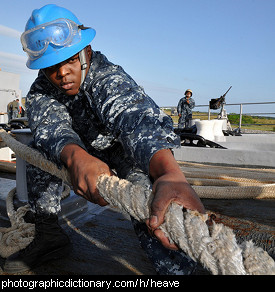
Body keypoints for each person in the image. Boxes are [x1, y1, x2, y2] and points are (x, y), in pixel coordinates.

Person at [4, 4, 205, 274]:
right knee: (37, 155)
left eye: (70, 60)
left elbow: (135, 118)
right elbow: (52, 128)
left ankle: (181, 269)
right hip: (78, 152)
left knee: (149, 199)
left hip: (122, 150)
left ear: (86, 52)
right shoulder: (41, 89)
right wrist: (77, 158)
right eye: (52, 66)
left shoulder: (107, 76)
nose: (62, 73)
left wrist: (169, 174)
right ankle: (49, 234)